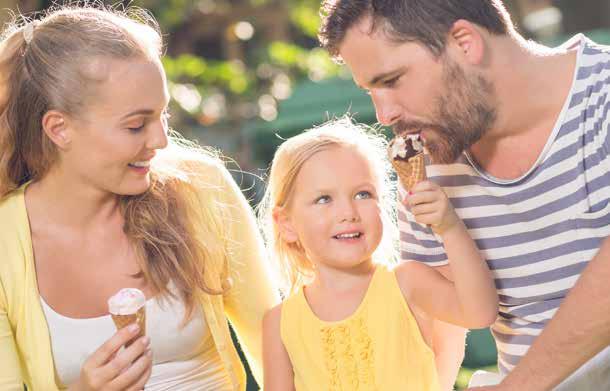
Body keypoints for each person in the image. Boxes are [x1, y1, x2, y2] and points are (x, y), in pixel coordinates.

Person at [318, 0, 610, 389]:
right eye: (371, 90)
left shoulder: (603, 94)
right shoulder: (431, 157)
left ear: (464, 42)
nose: (384, 115)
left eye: (392, 81)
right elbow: (442, 324)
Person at [0, 4, 278, 391]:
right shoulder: (5, 243)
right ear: (59, 129)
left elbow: (275, 344)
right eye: (135, 125)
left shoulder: (199, 188)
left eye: (162, 116)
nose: (160, 141)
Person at [258, 118, 498, 390]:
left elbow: (480, 313)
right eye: (324, 199)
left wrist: (450, 227)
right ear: (286, 224)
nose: (348, 213)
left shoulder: (408, 283)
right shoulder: (279, 323)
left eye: (363, 194)